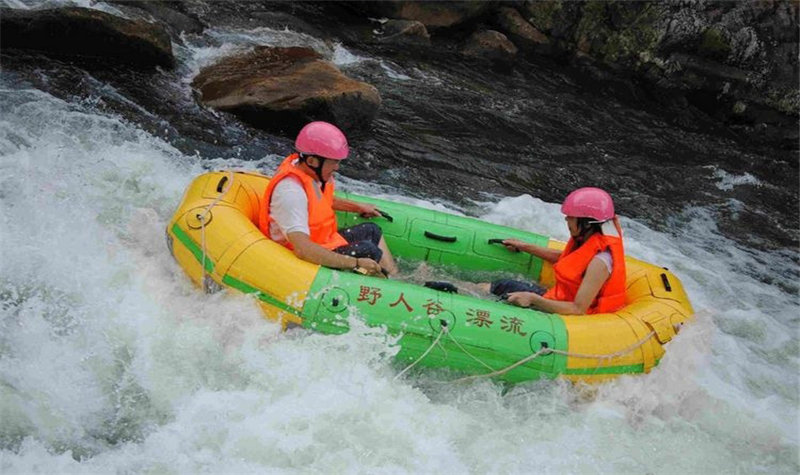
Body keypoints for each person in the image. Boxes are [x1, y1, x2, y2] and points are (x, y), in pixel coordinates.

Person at [258, 121, 398, 277]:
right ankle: (384, 288)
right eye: (335, 162)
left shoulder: (311, 173)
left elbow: (322, 201)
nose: (337, 167)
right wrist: (356, 263)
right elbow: (303, 249)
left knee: (371, 230)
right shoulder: (291, 193)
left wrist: (358, 207)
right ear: (312, 161)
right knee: (367, 250)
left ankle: (395, 278)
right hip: (301, 253)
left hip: (323, 241)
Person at [484, 187, 627, 315]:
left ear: (587, 223)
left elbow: (578, 309)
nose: (566, 219)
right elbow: (568, 259)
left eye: (571, 217)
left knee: (506, 291)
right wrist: (524, 246)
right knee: (504, 284)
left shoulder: (601, 261)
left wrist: (533, 299)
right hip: (558, 298)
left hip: (569, 315)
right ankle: (464, 290)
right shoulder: (588, 239)